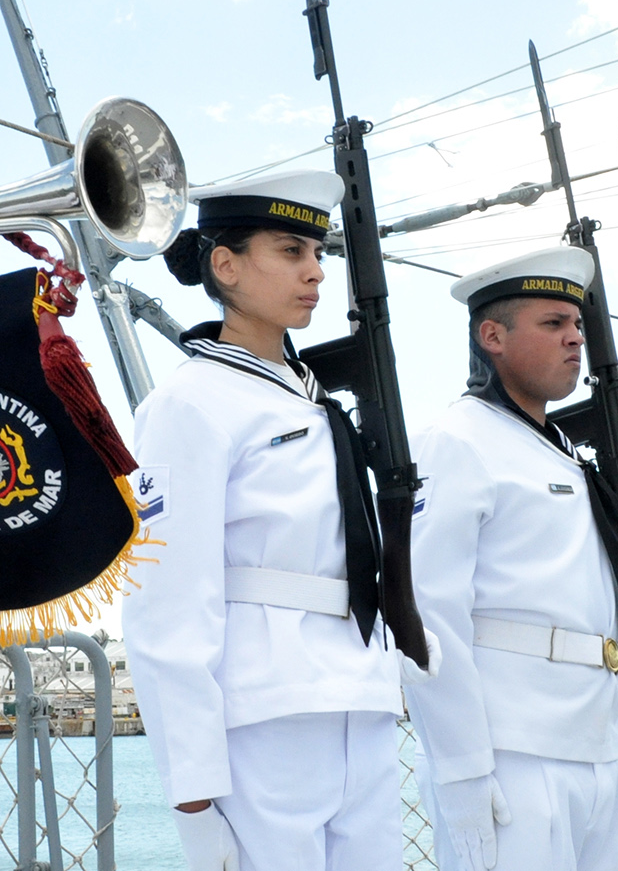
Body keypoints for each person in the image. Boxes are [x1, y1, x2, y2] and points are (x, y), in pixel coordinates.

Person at [123, 172, 425, 871]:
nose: (315, 273)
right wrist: (192, 792)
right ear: (225, 265)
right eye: (290, 251)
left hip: (358, 695)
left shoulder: (314, 401)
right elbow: (165, 600)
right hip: (263, 712)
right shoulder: (189, 404)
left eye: (318, 254)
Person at [407, 246, 618, 871]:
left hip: (597, 746)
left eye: (577, 325)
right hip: (513, 752)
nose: (574, 339)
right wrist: (464, 769)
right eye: (553, 324)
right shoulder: (457, 443)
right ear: (491, 336)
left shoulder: (562, 455)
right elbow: (430, 616)